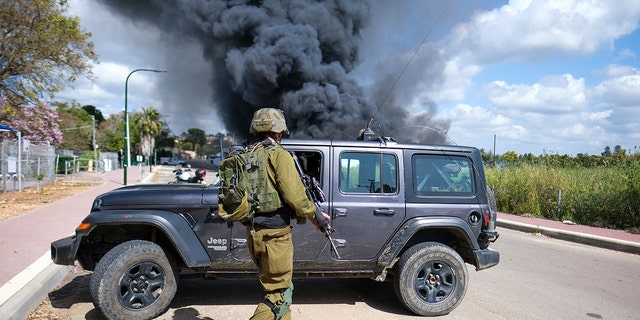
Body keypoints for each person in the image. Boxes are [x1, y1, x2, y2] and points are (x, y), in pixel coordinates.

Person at [246, 107, 330, 320]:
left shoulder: (247, 155)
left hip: (254, 232)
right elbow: (295, 197)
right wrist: (315, 215)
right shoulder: (279, 155)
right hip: (275, 235)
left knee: (281, 290)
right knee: (278, 297)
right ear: (279, 132)